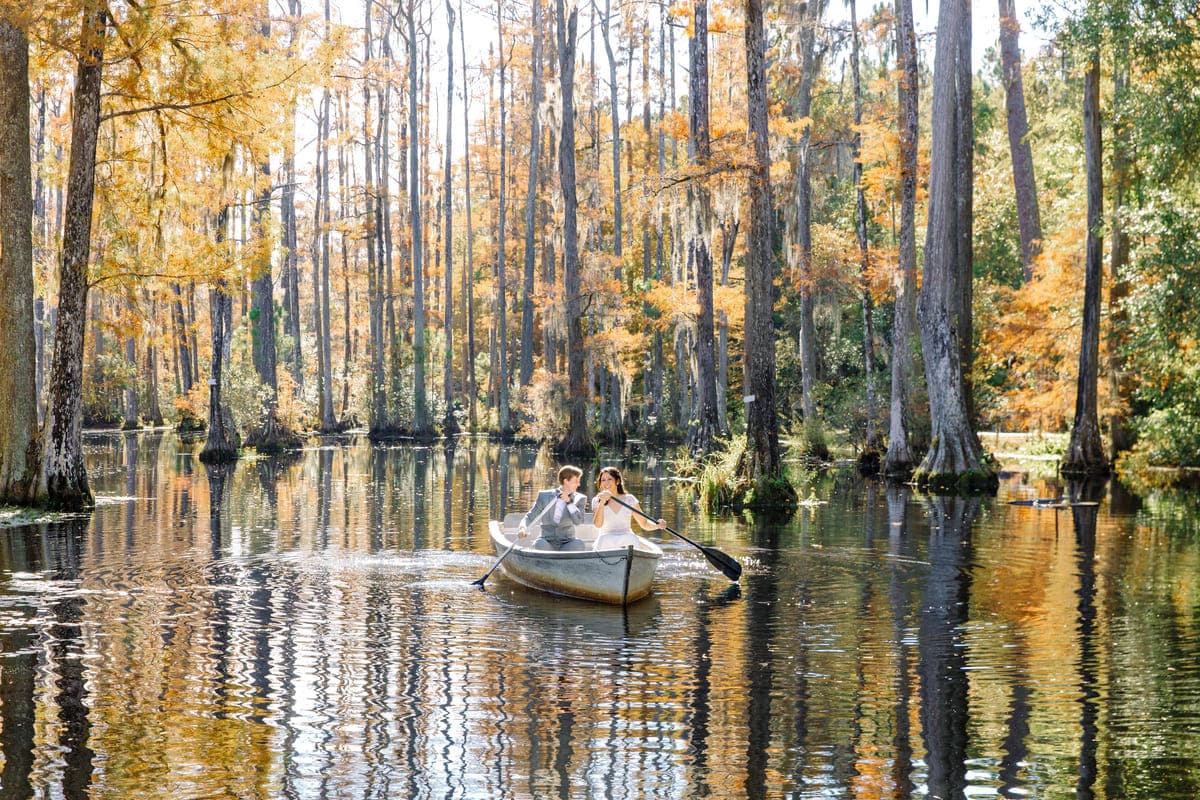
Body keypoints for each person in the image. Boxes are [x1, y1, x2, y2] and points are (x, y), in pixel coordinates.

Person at [590, 466, 665, 551]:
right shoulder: (596, 501)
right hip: (606, 540)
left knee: (631, 539)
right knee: (604, 540)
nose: (606, 483)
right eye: (603, 480)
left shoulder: (629, 499)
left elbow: (644, 524)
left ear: (617, 481)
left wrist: (657, 525)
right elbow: (598, 525)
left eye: (609, 479)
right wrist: (602, 502)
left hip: (627, 538)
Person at [517, 465, 587, 551]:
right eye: (576, 481)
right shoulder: (544, 496)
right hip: (546, 541)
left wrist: (569, 502)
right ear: (566, 481)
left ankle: (560, 560)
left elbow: (578, 522)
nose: (578, 484)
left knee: (579, 545)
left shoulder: (580, 499)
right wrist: (522, 528)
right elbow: (530, 517)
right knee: (539, 544)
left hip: (567, 542)